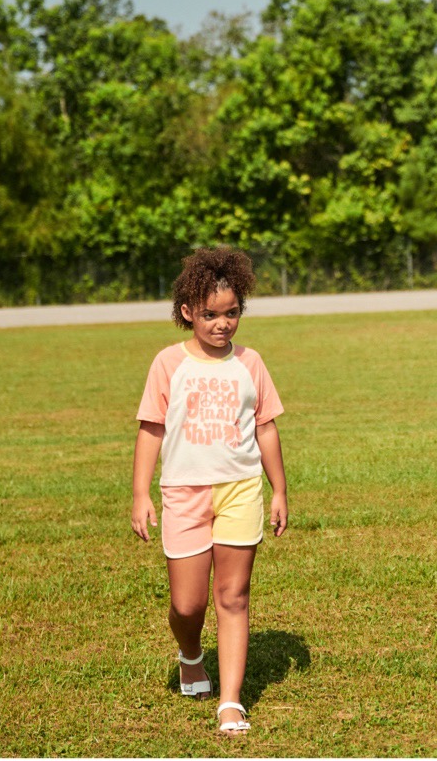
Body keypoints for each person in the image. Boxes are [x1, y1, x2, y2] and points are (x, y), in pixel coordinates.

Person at [131, 246, 289, 737]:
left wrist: (279, 489)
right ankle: (191, 656)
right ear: (186, 313)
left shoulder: (251, 362)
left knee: (233, 596)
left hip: (240, 488)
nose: (222, 324)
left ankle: (230, 701)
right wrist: (140, 493)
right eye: (209, 314)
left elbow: (265, 428)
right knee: (187, 605)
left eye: (231, 313)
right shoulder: (168, 363)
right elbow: (150, 429)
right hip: (183, 492)